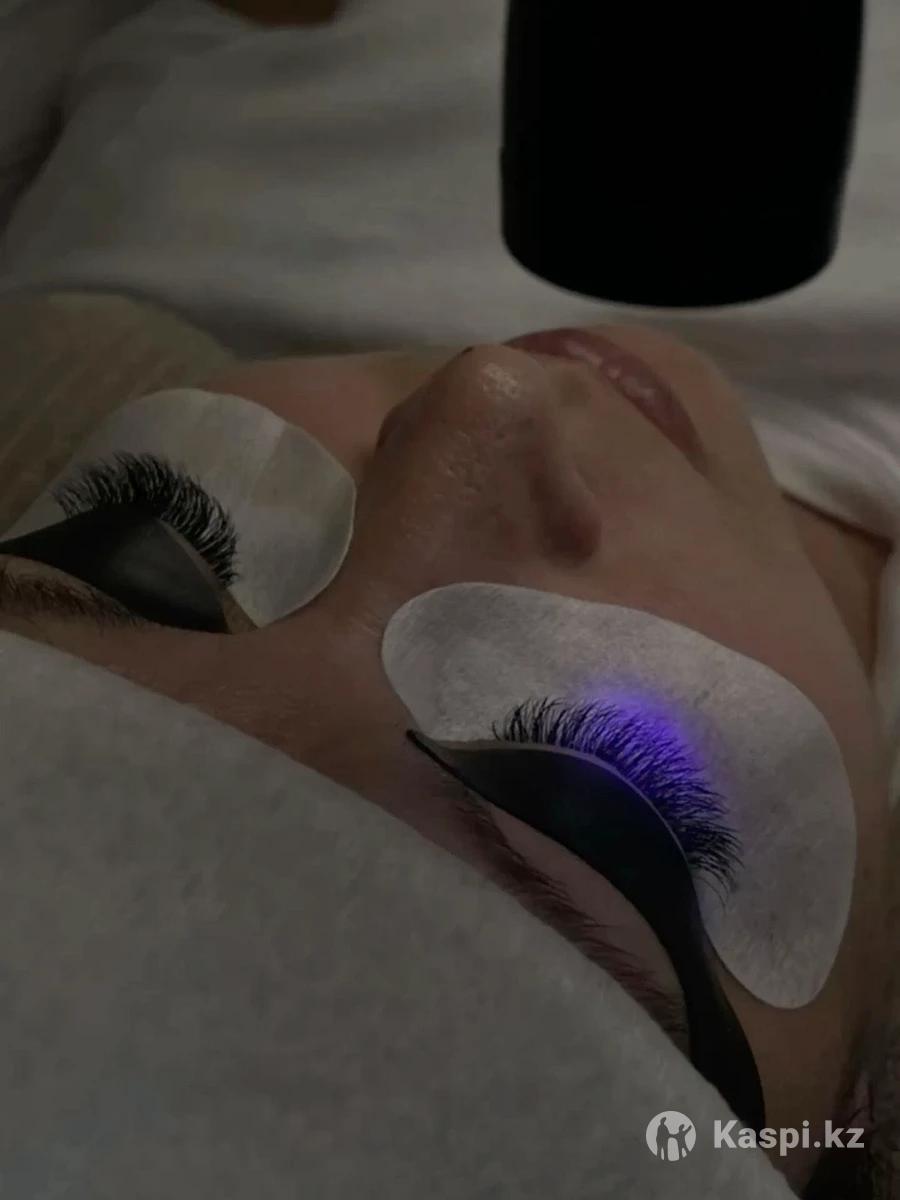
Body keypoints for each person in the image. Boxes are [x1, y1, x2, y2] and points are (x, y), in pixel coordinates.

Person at [0, 1, 898, 1197]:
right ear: (848, 1117)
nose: (487, 399)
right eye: (611, 815)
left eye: (129, 550)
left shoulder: (171, 199)